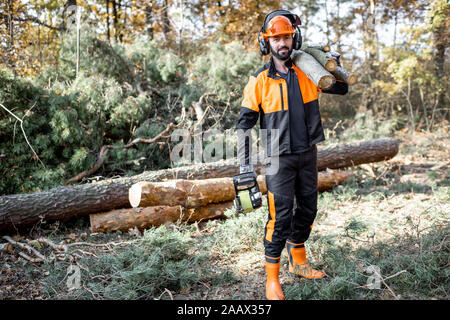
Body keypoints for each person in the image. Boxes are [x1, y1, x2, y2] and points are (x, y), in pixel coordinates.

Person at [236, 9, 348, 300]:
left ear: (294, 38)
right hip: (277, 159)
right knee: (280, 217)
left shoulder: (308, 72)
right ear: (267, 43)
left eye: (286, 36)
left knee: (308, 209)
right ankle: (272, 278)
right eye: (276, 39)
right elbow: (243, 125)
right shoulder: (259, 80)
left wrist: (332, 63)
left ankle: (298, 261)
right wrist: (244, 164)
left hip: (307, 153)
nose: (282, 43)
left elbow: (342, 89)